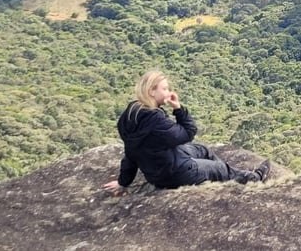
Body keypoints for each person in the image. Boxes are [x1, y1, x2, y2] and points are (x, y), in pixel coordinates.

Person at [102, 70, 270, 194]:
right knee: (219, 168)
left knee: (202, 150)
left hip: (160, 166)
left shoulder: (131, 113)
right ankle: (254, 179)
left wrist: (123, 182)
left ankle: (223, 175)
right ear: (152, 91)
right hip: (176, 173)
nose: (168, 92)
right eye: (165, 89)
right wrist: (178, 109)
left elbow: (130, 153)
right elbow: (188, 132)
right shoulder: (155, 120)